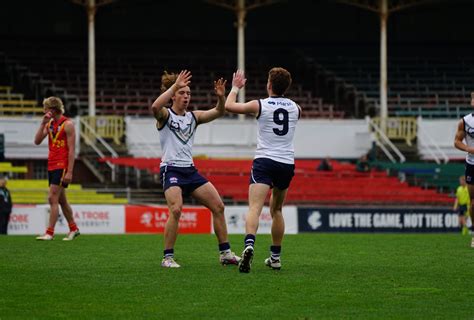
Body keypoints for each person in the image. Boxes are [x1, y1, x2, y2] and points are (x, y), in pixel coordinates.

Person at [151, 70, 240, 268]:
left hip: (190, 171)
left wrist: (221, 97)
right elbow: (155, 106)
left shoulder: (194, 117)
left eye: (188, 93)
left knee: (218, 207)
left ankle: (225, 254)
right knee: (176, 209)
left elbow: (219, 111)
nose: (186, 96)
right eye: (182, 93)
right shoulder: (165, 115)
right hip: (171, 169)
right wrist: (174, 86)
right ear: (173, 95)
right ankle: (167, 257)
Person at [225, 68, 301, 273]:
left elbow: (229, 106)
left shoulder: (261, 105)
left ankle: (249, 244)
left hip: (265, 161)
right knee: (276, 210)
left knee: (254, 208)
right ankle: (275, 258)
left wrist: (235, 87)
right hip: (286, 163)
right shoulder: (296, 108)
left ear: (269, 84)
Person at [34, 96, 80, 241]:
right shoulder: (50, 124)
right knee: (61, 200)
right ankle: (73, 229)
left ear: (53, 110)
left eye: (45, 108)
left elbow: (72, 150)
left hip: (62, 165)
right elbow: (36, 141)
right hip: (52, 164)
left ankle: (49, 232)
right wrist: (42, 124)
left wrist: (70, 171)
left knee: (52, 197)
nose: (44, 111)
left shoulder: (68, 124)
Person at [454, 91, 474, 248]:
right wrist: (469, 148)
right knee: (473, 204)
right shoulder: (465, 121)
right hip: (472, 164)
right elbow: (456, 141)